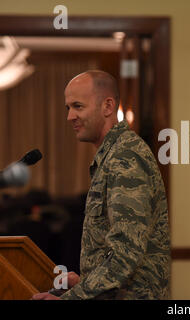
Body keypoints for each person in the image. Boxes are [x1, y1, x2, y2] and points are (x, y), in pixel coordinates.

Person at [32, 70, 170, 300]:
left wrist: (72, 298)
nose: (70, 117)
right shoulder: (113, 154)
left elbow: (126, 253)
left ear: (108, 106)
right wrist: (85, 282)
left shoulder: (126, 158)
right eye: (69, 108)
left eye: (78, 106)